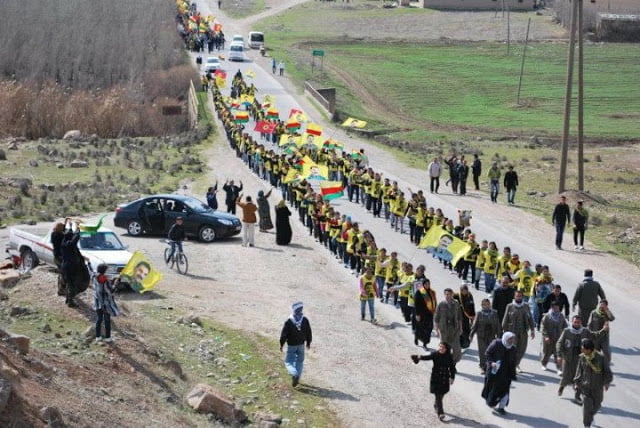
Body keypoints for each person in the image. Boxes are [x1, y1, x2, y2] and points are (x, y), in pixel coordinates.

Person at [556, 315, 608, 400]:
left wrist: (603, 330)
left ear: (581, 323)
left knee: (580, 377)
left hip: (581, 358)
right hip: (568, 357)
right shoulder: (567, 331)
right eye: (575, 322)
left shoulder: (585, 331)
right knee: (566, 376)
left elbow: (594, 336)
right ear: (572, 322)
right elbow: (559, 343)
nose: (577, 324)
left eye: (578, 322)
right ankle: (562, 386)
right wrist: (559, 355)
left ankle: (577, 394)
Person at [411, 342, 457, 421]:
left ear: (446, 349)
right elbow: (427, 357)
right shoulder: (435, 354)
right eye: (440, 347)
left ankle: (436, 405)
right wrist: (418, 357)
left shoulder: (449, 357)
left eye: (443, 347)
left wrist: (452, 378)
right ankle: (440, 413)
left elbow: (452, 368)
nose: (441, 349)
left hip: (444, 379)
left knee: (441, 395)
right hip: (436, 378)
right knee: (438, 395)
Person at [574, 338, 613, 428]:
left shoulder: (601, 357)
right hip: (585, 386)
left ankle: (590, 417)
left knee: (597, 405)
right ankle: (587, 424)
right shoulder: (582, 357)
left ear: (589, 349)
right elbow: (579, 371)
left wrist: (607, 382)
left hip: (598, 386)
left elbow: (607, 372)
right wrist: (576, 382)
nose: (581, 349)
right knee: (587, 406)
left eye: (583, 348)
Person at [482, 332, 517, 415]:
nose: (511, 341)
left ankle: (501, 408)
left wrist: (513, 374)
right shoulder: (496, 343)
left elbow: (513, 362)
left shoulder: (513, 349)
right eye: (510, 339)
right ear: (505, 338)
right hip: (494, 371)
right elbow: (487, 353)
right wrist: (491, 363)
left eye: (512, 339)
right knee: (492, 389)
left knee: (505, 390)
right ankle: (491, 402)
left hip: (505, 373)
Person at [279, 301, 312, 387]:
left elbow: (284, 334)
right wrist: (308, 342)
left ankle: (294, 374)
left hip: (291, 345)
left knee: (288, 361)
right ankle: (298, 376)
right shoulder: (305, 320)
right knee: (300, 361)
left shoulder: (289, 321)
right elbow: (309, 332)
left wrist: (281, 344)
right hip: (301, 344)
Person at [502, 290, 535, 371]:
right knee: (512, 349)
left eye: (520, 296)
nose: (518, 297)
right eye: (517, 296)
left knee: (522, 349)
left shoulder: (526, 306)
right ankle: (511, 366)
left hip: (523, 332)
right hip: (512, 332)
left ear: (522, 297)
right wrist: (504, 332)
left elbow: (530, 318)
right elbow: (505, 320)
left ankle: (516, 364)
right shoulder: (510, 306)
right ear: (514, 297)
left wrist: (532, 330)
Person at [470, 298, 502, 374]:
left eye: (487, 304)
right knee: (482, 352)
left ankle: (490, 365)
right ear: (482, 305)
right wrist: (471, 335)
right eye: (484, 305)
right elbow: (475, 325)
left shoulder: (494, 313)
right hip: (481, 336)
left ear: (490, 305)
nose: (486, 306)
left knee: (492, 351)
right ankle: (482, 366)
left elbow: (497, 325)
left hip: (491, 335)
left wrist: (499, 336)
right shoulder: (479, 313)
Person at [92, 263, 119, 344]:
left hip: (97, 302)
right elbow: (110, 291)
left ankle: (98, 337)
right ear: (104, 270)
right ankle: (108, 338)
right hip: (106, 304)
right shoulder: (105, 280)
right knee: (107, 320)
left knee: (99, 319)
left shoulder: (94, 276)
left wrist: (89, 262)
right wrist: (115, 284)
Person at [434, 288, 462, 363]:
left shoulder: (456, 303)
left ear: (452, 294)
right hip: (444, 330)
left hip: (454, 329)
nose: (447, 296)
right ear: (444, 295)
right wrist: (436, 331)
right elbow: (436, 318)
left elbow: (459, 317)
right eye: (446, 294)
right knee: (444, 348)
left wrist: (460, 328)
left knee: (457, 349)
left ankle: (453, 363)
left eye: (449, 294)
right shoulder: (441, 304)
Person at [540, 301, 567, 372]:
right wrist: (546, 336)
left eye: (557, 308)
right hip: (548, 338)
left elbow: (565, 326)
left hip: (558, 338)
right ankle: (544, 364)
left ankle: (559, 368)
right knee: (546, 352)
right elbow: (543, 327)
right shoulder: (547, 316)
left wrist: (565, 336)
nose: (556, 309)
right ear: (552, 307)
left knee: (558, 353)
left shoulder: (561, 316)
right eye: (554, 307)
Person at [414, 278, 437, 349]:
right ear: (423, 285)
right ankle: (417, 337)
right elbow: (416, 304)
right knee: (421, 328)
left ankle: (425, 343)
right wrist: (417, 314)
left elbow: (434, 302)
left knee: (429, 329)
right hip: (421, 314)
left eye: (428, 284)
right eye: (426, 284)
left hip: (430, 314)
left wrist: (435, 311)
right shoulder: (419, 292)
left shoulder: (432, 292)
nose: (427, 285)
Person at [453, 284, 475, 349]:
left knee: (466, 330)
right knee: (459, 330)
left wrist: (472, 315)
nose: (464, 292)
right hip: (458, 316)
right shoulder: (456, 296)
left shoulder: (469, 295)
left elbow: (472, 305)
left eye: (465, 290)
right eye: (462, 290)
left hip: (466, 317)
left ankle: (464, 344)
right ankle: (458, 344)